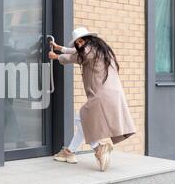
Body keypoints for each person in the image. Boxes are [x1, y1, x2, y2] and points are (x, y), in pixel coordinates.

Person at [48, 27, 136, 171]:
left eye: (81, 41)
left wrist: (56, 56)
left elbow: (77, 57)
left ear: (88, 39)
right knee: (83, 123)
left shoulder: (89, 51)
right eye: (78, 42)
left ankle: (98, 148)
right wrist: (61, 48)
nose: (80, 44)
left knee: (81, 118)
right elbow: (78, 53)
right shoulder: (99, 49)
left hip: (102, 94)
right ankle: (69, 152)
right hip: (111, 93)